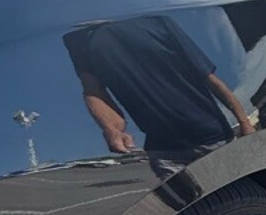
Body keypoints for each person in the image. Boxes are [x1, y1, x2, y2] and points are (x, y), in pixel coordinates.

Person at [64, 14, 254, 158]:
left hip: (212, 136)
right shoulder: (77, 39)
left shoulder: (154, 18)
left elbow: (209, 78)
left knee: (234, 199)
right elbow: (93, 90)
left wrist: (244, 122)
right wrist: (112, 130)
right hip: (162, 151)